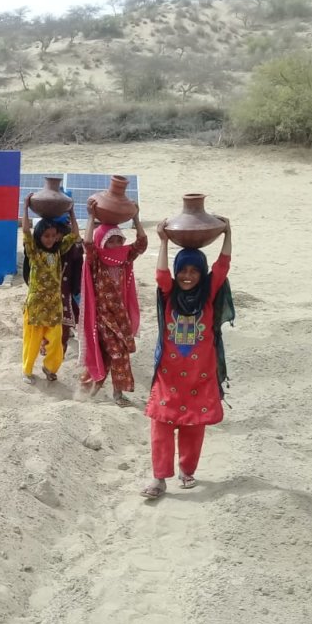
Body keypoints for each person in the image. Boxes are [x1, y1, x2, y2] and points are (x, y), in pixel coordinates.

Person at [141, 219, 234, 500]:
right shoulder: (169, 294)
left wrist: (227, 233)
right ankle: (159, 479)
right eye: (183, 270)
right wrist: (163, 241)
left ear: (202, 274)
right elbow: (161, 274)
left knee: (194, 426)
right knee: (161, 424)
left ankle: (187, 470)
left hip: (200, 376)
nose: (187, 276)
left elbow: (222, 266)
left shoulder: (208, 295)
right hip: (168, 376)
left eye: (194, 271)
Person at [80, 201, 147, 406]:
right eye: (111, 241)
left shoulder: (125, 258)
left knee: (108, 355)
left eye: (119, 240)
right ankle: (117, 395)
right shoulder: (96, 260)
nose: (117, 245)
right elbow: (87, 243)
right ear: (102, 243)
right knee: (118, 353)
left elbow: (141, 244)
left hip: (121, 316)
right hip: (103, 317)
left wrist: (135, 217)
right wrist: (91, 217)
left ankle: (88, 393)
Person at [20, 193, 79, 384]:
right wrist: (25, 208)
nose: (50, 239)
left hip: (53, 305)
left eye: (53, 236)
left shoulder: (58, 252)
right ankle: (27, 371)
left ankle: (49, 367)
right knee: (32, 341)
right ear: (39, 236)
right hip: (36, 306)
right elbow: (26, 232)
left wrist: (71, 212)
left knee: (56, 339)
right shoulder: (34, 252)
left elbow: (75, 235)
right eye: (46, 236)